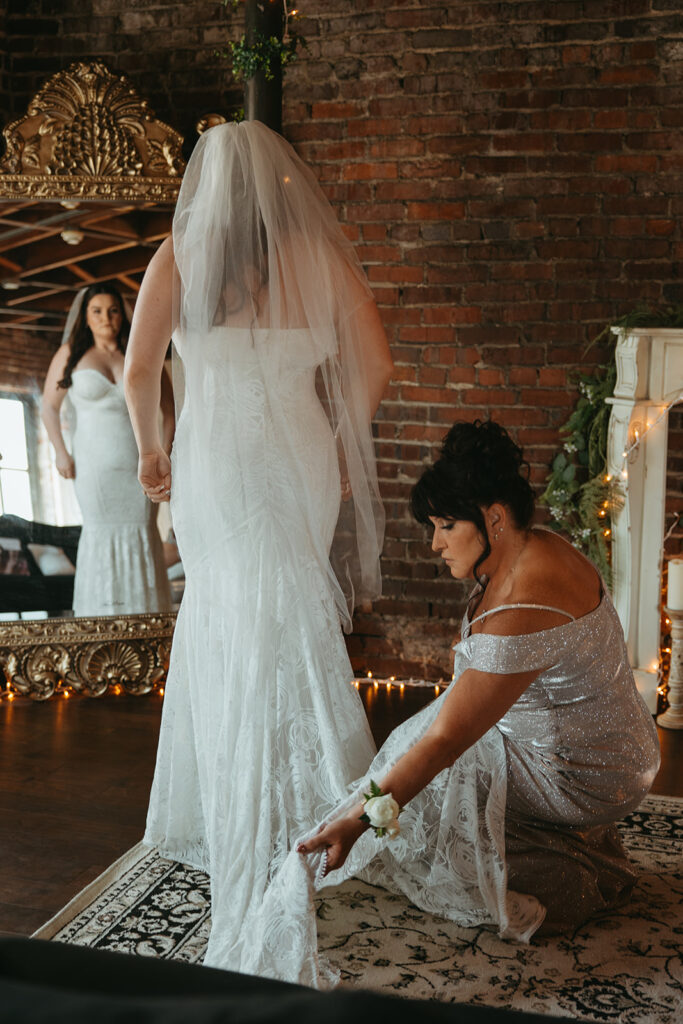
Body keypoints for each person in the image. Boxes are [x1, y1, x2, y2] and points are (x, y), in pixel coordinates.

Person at [240, 419, 660, 987]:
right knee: (425, 757)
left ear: (492, 516)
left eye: (444, 526)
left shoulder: (522, 603)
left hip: (585, 771)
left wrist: (360, 825)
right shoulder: (539, 547)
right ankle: (551, 842)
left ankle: (560, 860)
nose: (434, 543)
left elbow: (444, 742)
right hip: (612, 744)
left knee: (433, 771)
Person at [122, 121, 394, 972]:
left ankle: (244, 811)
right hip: (300, 453)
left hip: (217, 464)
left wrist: (150, 447)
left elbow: (137, 370)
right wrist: (345, 436)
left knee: (232, 615)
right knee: (293, 610)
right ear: (278, 188)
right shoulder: (313, 255)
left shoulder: (178, 253)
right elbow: (375, 362)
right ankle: (318, 806)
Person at [41, 284, 173, 617]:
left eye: (112, 310)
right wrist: (60, 452)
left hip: (137, 466)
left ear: (122, 313)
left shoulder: (139, 351)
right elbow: (48, 407)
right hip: (93, 470)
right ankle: (100, 623)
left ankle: (147, 623)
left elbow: (170, 411)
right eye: (96, 311)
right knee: (101, 534)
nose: (106, 318)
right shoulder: (71, 354)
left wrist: (166, 451)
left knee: (143, 533)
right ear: (85, 317)